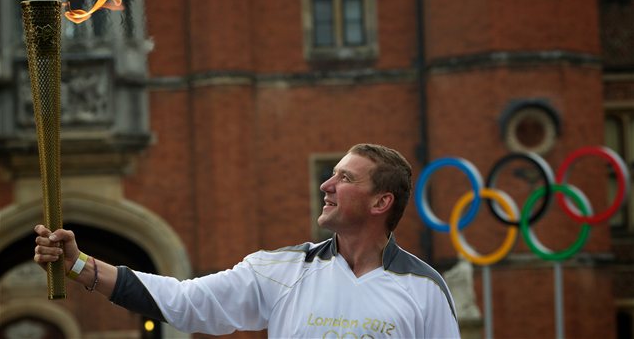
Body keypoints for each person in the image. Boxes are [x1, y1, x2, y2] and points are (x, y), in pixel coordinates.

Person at [34, 143, 461, 338]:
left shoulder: (425, 290)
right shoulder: (280, 271)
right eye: (330, 173)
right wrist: (80, 265)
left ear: (381, 202)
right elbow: (185, 301)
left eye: (345, 178)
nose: (326, 185)